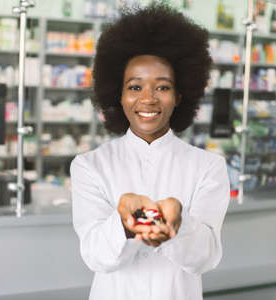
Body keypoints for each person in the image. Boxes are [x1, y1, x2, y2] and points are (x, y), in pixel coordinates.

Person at [71, 3, 230, 300]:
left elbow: (206, 258)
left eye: (162, 87)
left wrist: (176, 224)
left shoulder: (208, 167)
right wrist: (123, 222)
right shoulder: (90, 166)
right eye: (134, 87)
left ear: (180, 96)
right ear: (117, 95)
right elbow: (95, 256)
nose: (148, 99)